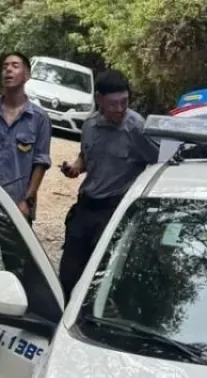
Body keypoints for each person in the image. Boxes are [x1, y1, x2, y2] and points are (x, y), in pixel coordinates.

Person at [58, 68, 159, 300]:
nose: (120, 109)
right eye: (113, 104)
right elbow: (86, 156)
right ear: (99, 100)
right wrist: (75, 167)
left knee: (97, 278)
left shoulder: (136, 128)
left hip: (113, 211)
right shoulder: (90, 126)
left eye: (125, 102)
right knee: (68, 273)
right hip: (85, 208)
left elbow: (156, 162)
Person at [0, 51, 52, 222]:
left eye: (15, 66)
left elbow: (41, 163)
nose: (8, 70)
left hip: (18, 207)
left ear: (27, 75)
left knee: (14, 250)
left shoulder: (39, 119)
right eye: (5, 66)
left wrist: (27, 202)